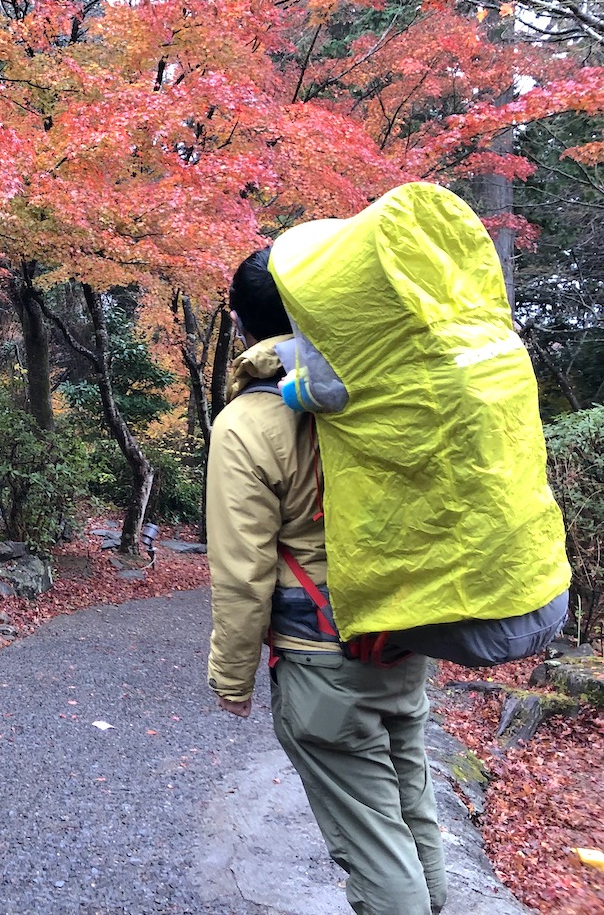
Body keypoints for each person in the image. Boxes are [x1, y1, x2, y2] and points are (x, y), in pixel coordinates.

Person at [206, 246, 447, 915]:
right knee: (412, 816)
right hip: (401, 643)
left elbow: (241, 572)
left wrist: (232, 680)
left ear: (238, 321)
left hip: (323, 669)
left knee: (376, 852)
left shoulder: (248, 424)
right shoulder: (379, 394)